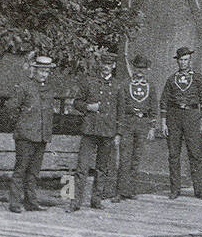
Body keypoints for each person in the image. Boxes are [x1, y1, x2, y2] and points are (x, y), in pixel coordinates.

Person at [7, 54, 59, 213]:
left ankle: (31, 202)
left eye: (46, 71)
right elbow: (11, 107)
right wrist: (22, 124)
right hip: (25, 136)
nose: (44, 74)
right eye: (41, 71)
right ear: (34, 70)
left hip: (42, 136)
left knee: (34, 171)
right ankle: (15, 203)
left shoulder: (49, 89)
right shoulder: (24, 87)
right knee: (21, 169)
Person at [71, 50, 120, 211]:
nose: (106, 67)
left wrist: (118, 133)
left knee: (102, 168)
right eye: (103, 64)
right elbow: (76, 102)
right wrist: (88, 107)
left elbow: (121, 111)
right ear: (100, 65)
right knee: (81, 167)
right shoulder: (89, 82)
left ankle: (96, 199)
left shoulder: (118, 86)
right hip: (89, 130)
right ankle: (75, 201)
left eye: (109, 64)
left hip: (107, 132)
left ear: (113, 66)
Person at [160, 46, 202, 199]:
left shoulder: (198, 78)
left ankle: (199, 190)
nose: (183, 63)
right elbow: (164, 101)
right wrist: (163, 123)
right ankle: (175, 189)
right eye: (181, 60)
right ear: (177, 61)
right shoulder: (171, 79)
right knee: (174, 154)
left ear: (190, 60)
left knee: (195, 154)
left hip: (192, 116)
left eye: (186, 60)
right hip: (174, 116)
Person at [115, 54, 157, 200]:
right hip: (128, 122)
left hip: (142, 124)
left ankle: (130, 190)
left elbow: (153, 106)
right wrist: (119, 129)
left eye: (143, 69)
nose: (140, 71)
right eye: (137, 68)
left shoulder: (150, 86)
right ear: (133, 68)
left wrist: (152, 127)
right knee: (125, 157)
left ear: (147, 70)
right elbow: (120, 106)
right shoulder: (125, 84)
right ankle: (120, 191)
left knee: (136, 158)